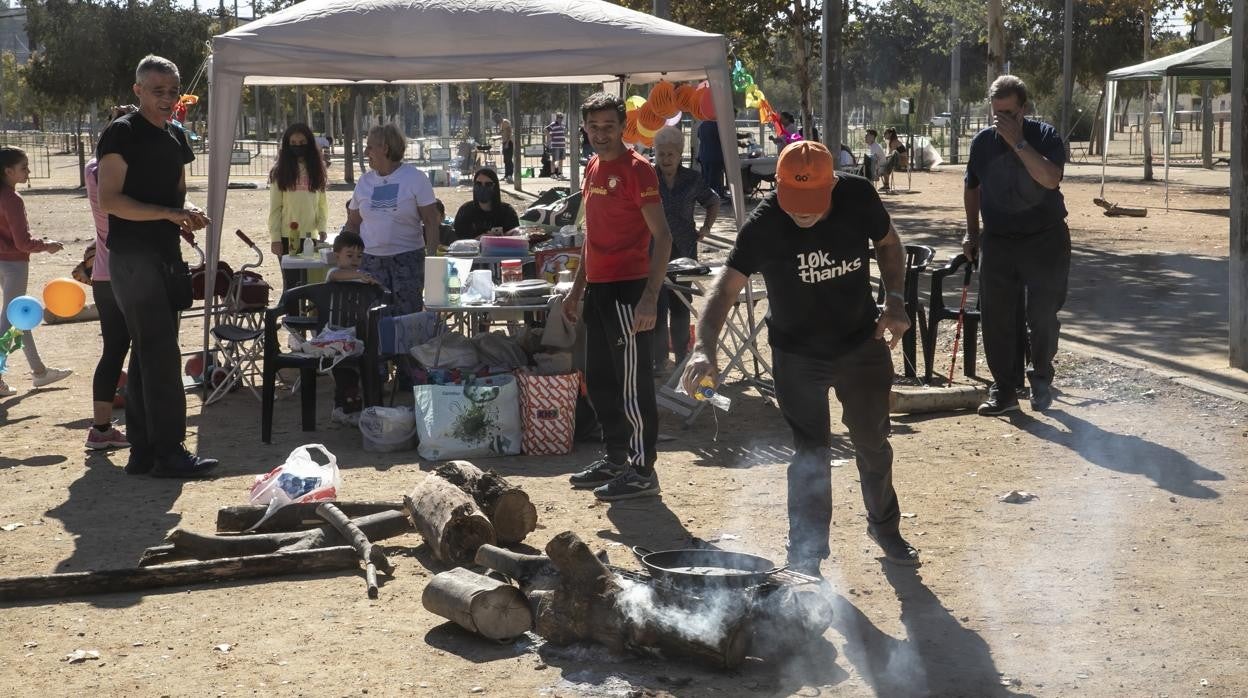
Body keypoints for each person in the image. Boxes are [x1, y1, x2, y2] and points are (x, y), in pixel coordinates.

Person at [681, 141, 919, 576]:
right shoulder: (765, 224)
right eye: (794, 201)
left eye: (813, 202)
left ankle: (884, 527)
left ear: (834, 183)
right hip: (797, 352)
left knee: (872, 443)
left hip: (860, 342)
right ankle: (806, 554)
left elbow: (888, 242)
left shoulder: (858, 195)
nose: (803, 212)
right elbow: (725, 289)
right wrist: (703, 348)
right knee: (811, 454)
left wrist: (896, 299)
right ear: (778, 187)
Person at [97, 54, 217, 477]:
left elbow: (177, 197)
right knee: (161, 355)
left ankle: (144, 452)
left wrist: (187, 211)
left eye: (172, 91)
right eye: (157, 91)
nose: (166, 99)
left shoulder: (176, 136)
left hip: (166, 255)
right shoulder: (121, 133)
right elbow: (110, 200)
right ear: (138, 91)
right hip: (132, 257)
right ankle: (169, 452)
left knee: (152, 354)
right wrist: (168, 213)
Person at [564, 92, 673, 501]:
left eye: (609, 126)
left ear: (623, 126)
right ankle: (616, 458)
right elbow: (592, 234)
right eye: (593, 127)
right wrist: (577, 289)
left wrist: (649, 298)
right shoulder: (591, 166)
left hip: (631, 289)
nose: (601, 134)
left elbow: (663, 237)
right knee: (600, 380)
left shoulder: (638, 170)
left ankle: (643, 470)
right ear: (585, 129)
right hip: (599, 289)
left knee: (633, 384)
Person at [963, 74, 1068, 416]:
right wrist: (972, 232)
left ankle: (1041, 381)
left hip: (1044, 238)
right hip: (999, 240)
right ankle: (1004, 389)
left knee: (1042, 316)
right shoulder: (982, 143)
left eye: (1009, 113)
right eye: (997, 113)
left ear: (1023, 108)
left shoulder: (1045, 136)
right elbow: (972, 187)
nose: (1002, 121)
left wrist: (1020, 143)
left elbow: (1050, 179)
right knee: (997, 318)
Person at [82, 105, 138, 449]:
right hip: (128, 271)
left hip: (103, 274)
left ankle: (101, 428)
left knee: (114, 349)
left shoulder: (92, 168)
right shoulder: (125, 171)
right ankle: (139, 425)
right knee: (145, 348)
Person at [344, 123, 441, 316]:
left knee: (406, 320)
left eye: (370, 146)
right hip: (370, 262)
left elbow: (431, 221)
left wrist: (431, 261)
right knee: (373, 321)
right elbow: (353, 224)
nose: (365, 151)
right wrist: (344, 258)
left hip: (408, 261)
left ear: (385, 148)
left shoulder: (415, 178)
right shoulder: (364, 182)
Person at [0, 146, 72, 398]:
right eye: (23, 168)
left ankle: (39, 371)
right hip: (15, 264)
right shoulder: (12, 199)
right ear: (8, 171)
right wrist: (47, 246)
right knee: (11, 319)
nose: (28, 171)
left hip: (3, 262)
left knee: (20, 315)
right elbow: (22, 242)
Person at [652, 125, 719, 373]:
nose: (666, 159)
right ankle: (658, 360)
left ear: (680, 154)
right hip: (654, 250)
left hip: (684, 249)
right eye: (661, 154)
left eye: (671, 154)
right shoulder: (648, 177)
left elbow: (712, 201)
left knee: (681, 303)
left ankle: (681, 356)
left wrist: (706, 228)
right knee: (656, 304)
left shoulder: (693, 179)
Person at [269, 122, 329, 291]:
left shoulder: (317, 169)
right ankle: (291, 317)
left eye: (302, 143)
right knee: (292, 286)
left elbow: (322, 203)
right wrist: (275, 239)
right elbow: (275, 208)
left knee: (311, 285)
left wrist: (322, 227)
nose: (298, 147)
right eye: (293, 144)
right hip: (288, 238)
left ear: (309, 143)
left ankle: (309, 318)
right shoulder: (279, 172)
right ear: (287, 146)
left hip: (311, 238)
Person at [324, 231, 376, 426]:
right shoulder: (335, 274)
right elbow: (337, 275)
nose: (355, 260)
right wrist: (360, 275)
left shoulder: (362, 278)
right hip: (336, 336)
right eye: (350, 255)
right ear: (337, 255)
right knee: (345, 374)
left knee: (355, 373)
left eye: (359, 256)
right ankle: (347, 410)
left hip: (357, 335)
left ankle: (343, 408)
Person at [453, 168, 520, 240]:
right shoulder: (465, 211)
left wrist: (501, 238)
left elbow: (516, 237)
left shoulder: (507, 212)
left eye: (488, 184)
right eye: (478, 184)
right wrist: (479, 239)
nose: (483, 187)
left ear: (495, 187)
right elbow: (458, 242)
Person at [696, 118, 726, 199]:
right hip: (715, 155)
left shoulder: (702, 126)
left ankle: (707, 197)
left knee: (706, 178)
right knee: (715, 178)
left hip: (704, 155)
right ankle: (715, 197)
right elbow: (724, 139)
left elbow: (699, 137)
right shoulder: (718, 126)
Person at [544, 112, 567, 179]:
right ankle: (552, 174)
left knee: (561, 160)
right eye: (559, 117)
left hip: (562, 145)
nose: (560, 119)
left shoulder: (563, 125)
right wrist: (549, 136)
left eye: (561, 117)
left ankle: (560, 173)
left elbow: (564, 133)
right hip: (555, 145)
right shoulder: (553, 124)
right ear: (556, 118)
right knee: (554, 160)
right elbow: (545, 129)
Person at [494, 112, 514, 182]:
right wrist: (497, 136)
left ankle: (510, 175)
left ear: (499, 117)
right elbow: (503, 132)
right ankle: (506, 175)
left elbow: (509, 132)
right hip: (505, 142)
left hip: (509, 143)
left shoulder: (505, 122)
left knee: (509, 160)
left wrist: (507, 143)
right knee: (506, 160)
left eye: (496, 119)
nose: (495, 121)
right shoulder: (501, 124)